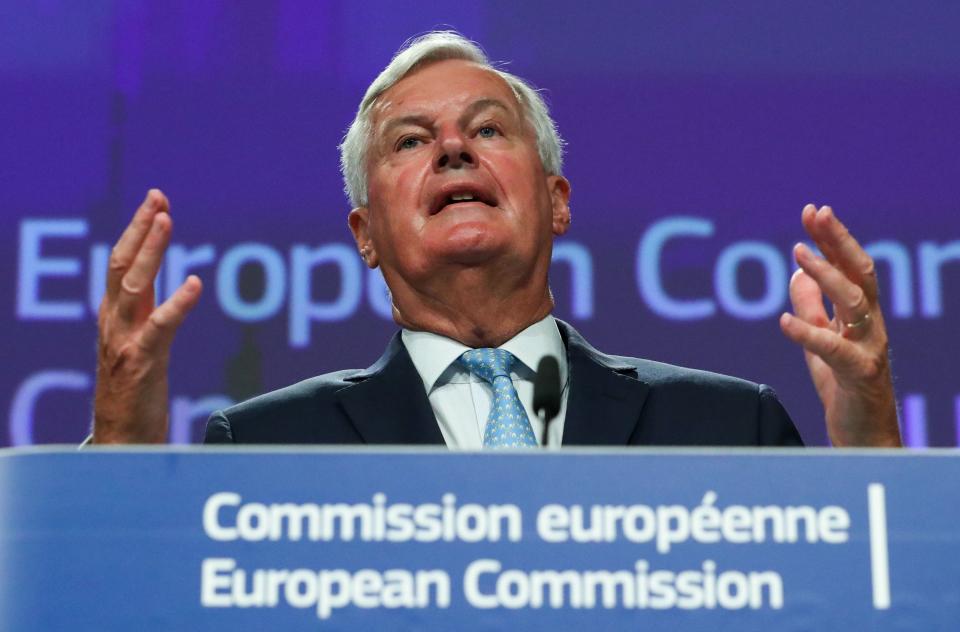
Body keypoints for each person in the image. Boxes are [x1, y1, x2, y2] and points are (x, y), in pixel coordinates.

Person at [90, 32, 901, 448]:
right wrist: (120, 444)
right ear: (364, 235)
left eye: (487, 128)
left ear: (556, 202)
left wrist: (872, 452)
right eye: (410, 142)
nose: (452, 148)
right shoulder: (266, 448)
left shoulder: (728, 428)